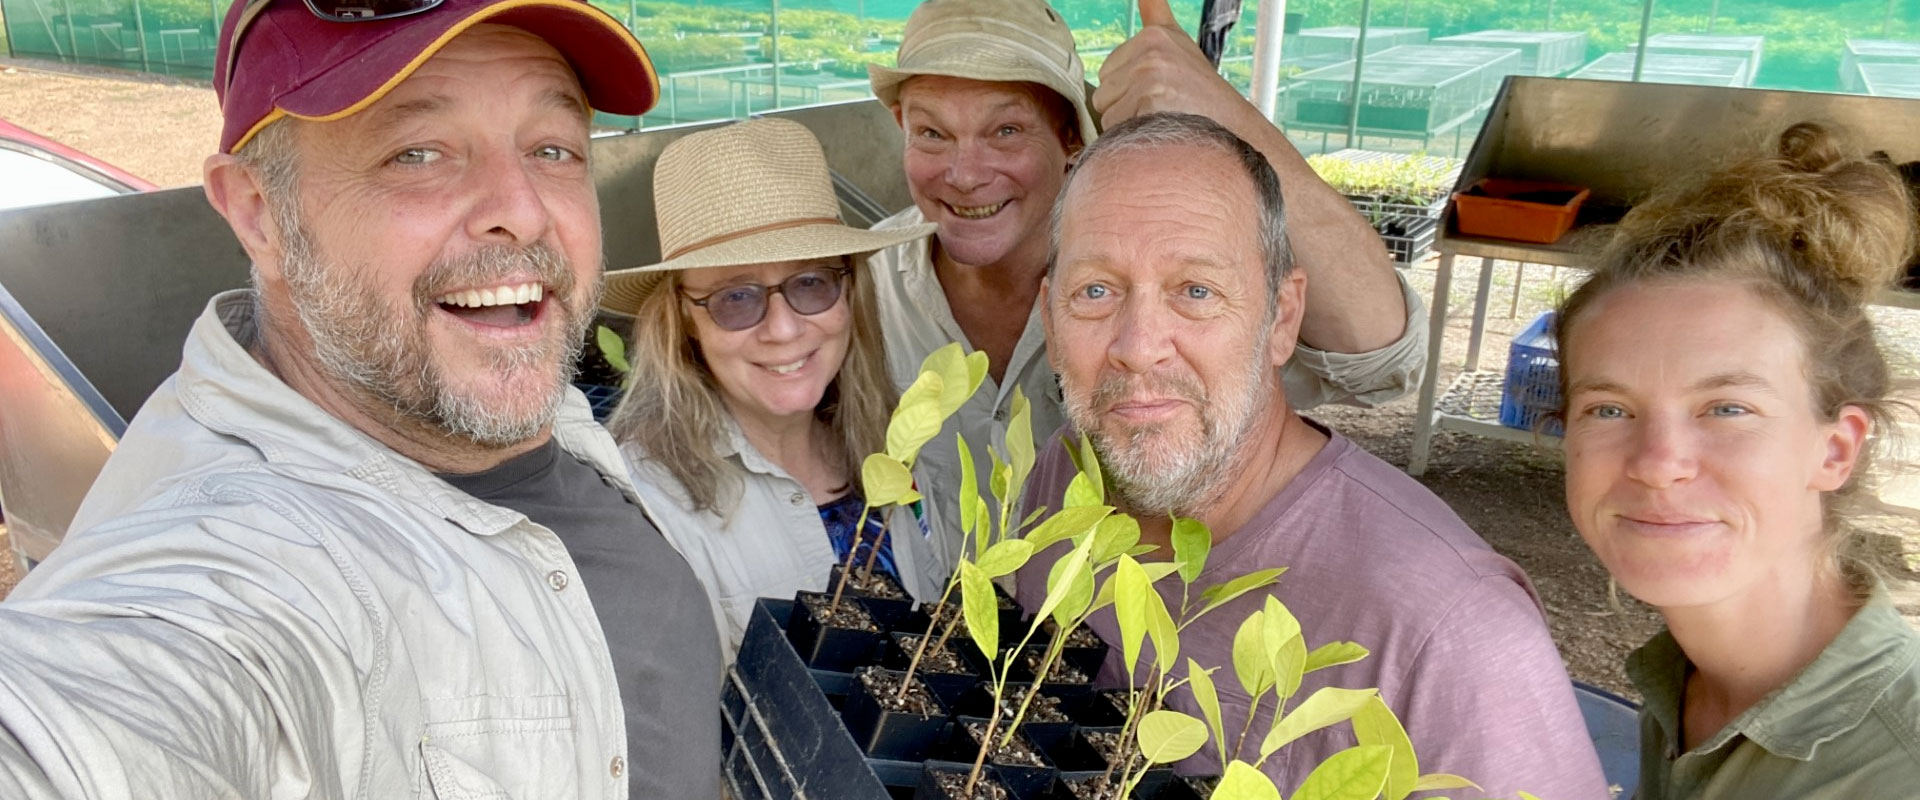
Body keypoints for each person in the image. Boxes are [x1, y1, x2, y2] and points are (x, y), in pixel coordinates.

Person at [0, 0, 722, 797]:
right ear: (258, 212)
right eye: (417, 154)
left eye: (553, 148)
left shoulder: (465, 381)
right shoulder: (236, 568)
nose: (521, 210)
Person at [1015, 112, 1609, 799]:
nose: (1138, 344)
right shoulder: (1069, 468)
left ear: (1282, 318)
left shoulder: (1453, 628)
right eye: (1095, 291)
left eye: (1196, 291)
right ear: (1051, 324)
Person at [864, 0, 1426, 569]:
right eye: (932, 133)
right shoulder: (861, 284)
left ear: (1070, 138)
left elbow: (1381, 359)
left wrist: (1227, 116)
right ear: (899, 128)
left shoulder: (1183, 281)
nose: (964, 174)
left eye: (1006, 130)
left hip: (1131, 644)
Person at [1555, 122, 1920, 797]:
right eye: (1609, 409)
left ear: (1834, 450)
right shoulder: (1691, 683)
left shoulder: (1897, 766)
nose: (1658, 463)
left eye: (1727, 408)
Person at [603, 118, 947, 658]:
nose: (783, 329)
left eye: (811, 283)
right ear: (684, 317)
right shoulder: (646, 510)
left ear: (848, 291)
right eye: (735, 298)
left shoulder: (898, 450)